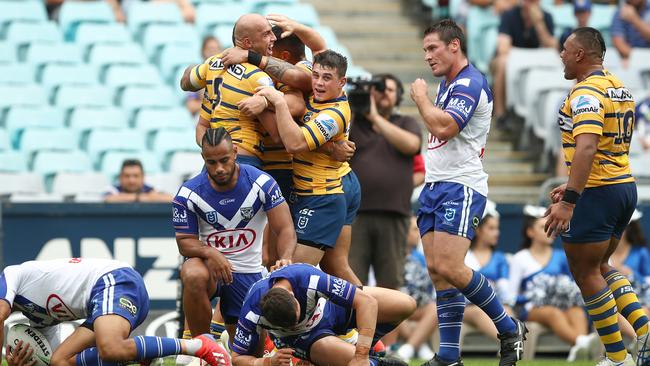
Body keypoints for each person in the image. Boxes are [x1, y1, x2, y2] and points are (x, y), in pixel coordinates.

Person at [410, 19, 527, 366]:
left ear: (455, 46)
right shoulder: (449, 83)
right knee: (436, 269)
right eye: (425, 50)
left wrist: (420, 98)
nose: (428, 57)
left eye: (433, 48)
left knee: (449, 264)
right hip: (436, 184)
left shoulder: (470, 82)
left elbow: (444, 126)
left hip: (461, 186)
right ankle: (449, 355)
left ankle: (508, 327)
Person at [546, 27, 648, 365]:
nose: (560, 54)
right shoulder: (619, 87)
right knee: (602, 266)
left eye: (565, 49)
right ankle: (645, 332)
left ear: (579, 54)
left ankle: (618, 359)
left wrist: (570, 199)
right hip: (622, 187)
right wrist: (576, 183)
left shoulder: (586, 93)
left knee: (585, 272)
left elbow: (588, 146)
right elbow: (603, 149)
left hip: (599, 193)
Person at [173, 128, 297, 339]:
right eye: (212, 162)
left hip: (248, 272)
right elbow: (185, 242)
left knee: (247, 352)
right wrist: (212, 254)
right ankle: (203, 347)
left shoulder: (262, 183)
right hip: (209, 269)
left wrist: (285, 258)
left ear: (236, 152)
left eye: (224, 160)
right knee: (192, 273)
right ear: (203, 158)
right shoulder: (188, 193)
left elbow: (285, 229)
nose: (219, 168)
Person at [0, 258, 227, 366]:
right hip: (104, 300)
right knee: (63, 361)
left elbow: (1, 314)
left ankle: (198, 345)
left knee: (110, 348)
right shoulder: (37, 317)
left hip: (113, 281)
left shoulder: (11, 275)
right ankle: (146, 358)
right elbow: (53, 359)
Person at [255, 50, 354, 271]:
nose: (318, 83)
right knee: (336, 273)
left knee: (290, 276)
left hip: (322, 199)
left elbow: (294, 144)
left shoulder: (334, 113)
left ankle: (377, 305)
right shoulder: (316, 95)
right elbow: (317, 48)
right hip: (305, 194)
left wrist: (278, 103)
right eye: (316, 75)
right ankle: (365, 305)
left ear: (342, 82)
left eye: (326, 78)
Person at [228, 263, 416, 366]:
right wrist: (267, 362)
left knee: (405, 304)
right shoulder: (252, 311)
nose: (294, 324)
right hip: (306, 339)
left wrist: (361, 354)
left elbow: (367, 302)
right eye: (287, 326)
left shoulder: (307, 277)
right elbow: (237, 358)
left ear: (294, 297)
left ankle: (366, 352)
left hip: (331, 310)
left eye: (295, 319)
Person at [348, 73, 422, 290]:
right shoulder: (353, 122)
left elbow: (411, 145)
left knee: (390, 282)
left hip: (394, 214)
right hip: (355, 213)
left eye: (389, 90)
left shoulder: (406, 122)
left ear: (398, 96)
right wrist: (352, 108)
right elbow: (337, 139)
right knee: (352, 279)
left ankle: (384, 326)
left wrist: (374, 118)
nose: (383, 94)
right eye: (378, 90)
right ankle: (353, 324)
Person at [180, 14, 277, 169]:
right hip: (246, 161)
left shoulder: (212, 63)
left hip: (213, 163)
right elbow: (277, 135)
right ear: (247, 42)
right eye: (266, 34)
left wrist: (213, 153)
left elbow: (185, 82)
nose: (274, 38)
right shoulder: (258, 76)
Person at [509, 207, 597, 362]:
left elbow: (571, 285)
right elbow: (511, 293)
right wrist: (530, 297)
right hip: (531, 308)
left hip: (562, 305)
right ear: (530, 232)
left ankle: (580, 349)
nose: (549, 229)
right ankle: (582, 343)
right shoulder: (520, 258)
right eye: (543, 226)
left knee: (577, 311)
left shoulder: (562, 256)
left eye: (551, 225)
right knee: (552, 313)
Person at [492, 0, 557, 124]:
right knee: (502, 62)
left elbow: (551, 49)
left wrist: (539, 24)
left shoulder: (546, 17)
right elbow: (503, 48)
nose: (531, 4)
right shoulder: (510, 15)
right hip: (512, 59)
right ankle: (500, 114)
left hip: (535, 61)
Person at [463, 204, 514, 341]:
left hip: (494, 303)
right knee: (478, 312)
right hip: (467, 308)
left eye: (497, 228)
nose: (496, 233)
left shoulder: (499, 258)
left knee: (508, 311)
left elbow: (505, 291)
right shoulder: (463, 254)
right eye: (491, 228)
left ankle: (510, 345)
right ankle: (509, 343)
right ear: (478, 230)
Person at [393, 216, 438, 362]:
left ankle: (409, 348)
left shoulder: (423, 257)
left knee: (435, 307)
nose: (418, 233)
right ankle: (419, 346)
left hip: (419, 308)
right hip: (397, 307)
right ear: (403, 231)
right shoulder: (390, 256)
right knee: (393, 308)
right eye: (414, 230)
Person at [104, 159, 172, 203]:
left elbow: (169, 198)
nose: (131, 180)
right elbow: (108, 199)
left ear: (143, 177)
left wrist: (124, 197)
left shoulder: (150, 188)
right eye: (127, 176)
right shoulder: (113, 189)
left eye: (136, 176)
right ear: (120, 177)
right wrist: (139, 197)